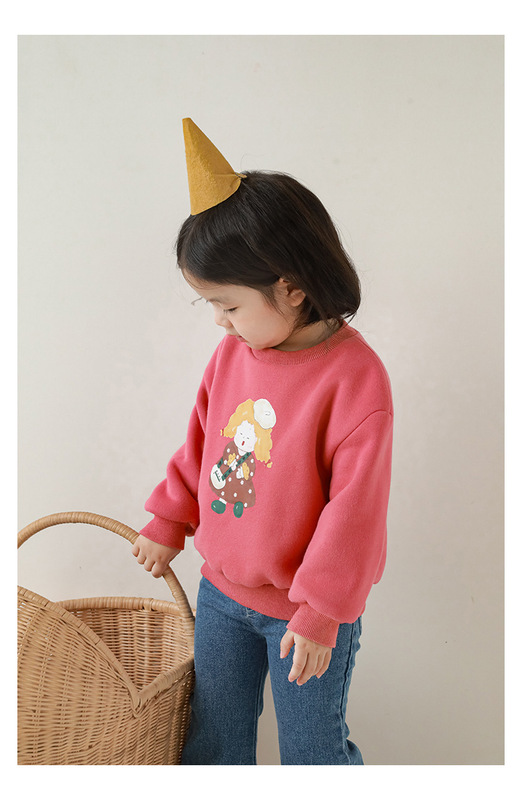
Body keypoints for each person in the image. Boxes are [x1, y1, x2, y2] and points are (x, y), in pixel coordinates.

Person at [132, 119, 393, 765]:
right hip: (222, 596)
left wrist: (322, 610)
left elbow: (356, 511)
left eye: (228, 305)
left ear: (291, 287)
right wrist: (170, 517)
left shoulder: (355, 379)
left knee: (312, 752)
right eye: (211, 307)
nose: (221, 323)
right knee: (214, 742)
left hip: (303, 614)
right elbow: (203, 442)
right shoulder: (233, 355)